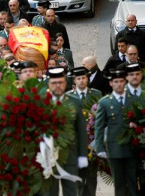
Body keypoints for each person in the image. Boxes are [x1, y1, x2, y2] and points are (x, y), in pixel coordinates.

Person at [44, 67, 88, 196]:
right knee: (49, 192)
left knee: (71, 191)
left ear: (65, 83)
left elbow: (81, 131)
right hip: (48, 156)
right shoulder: (42, 102)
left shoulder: (74, 103)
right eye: (54, 83)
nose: (58, 86)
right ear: (49, 84)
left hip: (70, 155)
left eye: (60, 82)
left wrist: (82, 155)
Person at [95, 69, 139, 195]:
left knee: (132, 181)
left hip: (132, 146)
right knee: (119, 183)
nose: (119, 84)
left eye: (121, 81)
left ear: (125, 82)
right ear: (111, 84)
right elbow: (99, 126)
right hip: (114, 149)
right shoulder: (105, 102)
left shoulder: (133, 98)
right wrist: (99, 148)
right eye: (116, 82)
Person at [66, 66, 102, 196]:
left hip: (91, 143)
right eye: (78, 78)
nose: (81, 81)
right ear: (74, 80)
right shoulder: (68, 96)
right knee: (78, 178)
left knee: (92, 178)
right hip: (76, 144)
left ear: (87, 79)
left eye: (83, 78)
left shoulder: (96, 94)